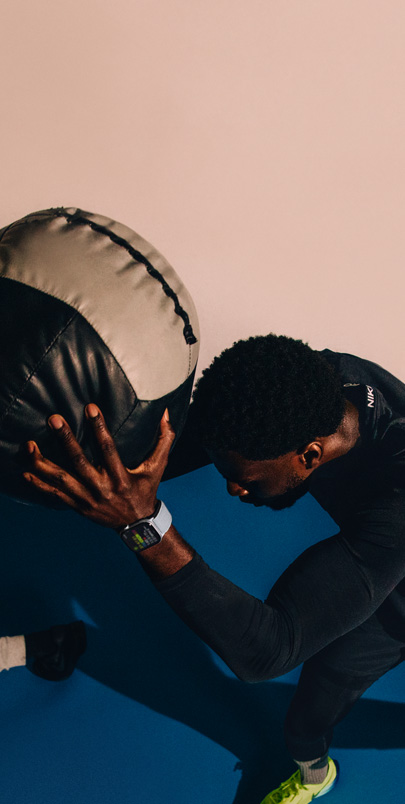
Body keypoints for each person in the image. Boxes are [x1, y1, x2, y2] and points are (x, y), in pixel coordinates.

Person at [22, 334, 405, 803]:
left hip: (395, 580)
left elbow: (268, 650)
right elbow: (191, 441)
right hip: (385, 575)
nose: (233, 490)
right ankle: (314, 777)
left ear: (309, 456)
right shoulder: (305, 390)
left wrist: (142, 526)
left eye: (246, 480)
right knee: (304, 723)